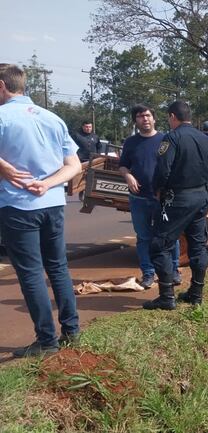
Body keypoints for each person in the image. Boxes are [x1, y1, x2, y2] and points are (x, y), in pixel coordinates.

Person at [0, 64, 81, 357]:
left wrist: (4, 167)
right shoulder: (53, 119)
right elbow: (74, 166)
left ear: (2, 86)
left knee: (32, 273)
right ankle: (71, 331)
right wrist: (47, 185)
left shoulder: (2, 117)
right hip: (52, 203)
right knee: (58, 267)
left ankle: (46, 341)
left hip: (17, 205)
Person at [145, 101, 208, 310]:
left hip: (178, 199)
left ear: (172, 116)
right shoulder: (206, 139)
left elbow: (163, 170)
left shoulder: (172, 138)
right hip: (201, 198)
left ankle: (167, 297)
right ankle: (196, 294)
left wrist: (157, 189)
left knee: (160, 246)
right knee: (198, 246)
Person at [119, 104, 182, 289]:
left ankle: (174, 271)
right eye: (140, 116)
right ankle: (148, 273)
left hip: (163, 199)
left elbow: (176, 166)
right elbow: (123, 165)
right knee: (144, 237)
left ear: (154, 118)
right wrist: (128, 175)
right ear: (135, 121)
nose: (144, 119)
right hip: (139, 199)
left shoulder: (166, 139)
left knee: (170, 236)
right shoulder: (131, 142)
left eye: (147, 115)